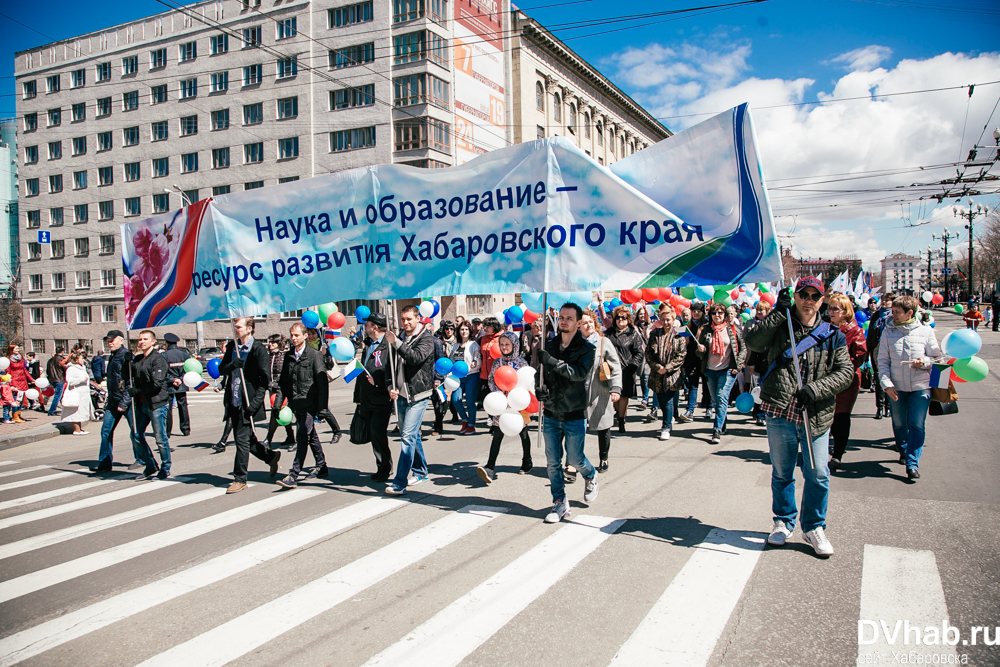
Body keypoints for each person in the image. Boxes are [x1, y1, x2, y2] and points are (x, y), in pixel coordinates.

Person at [746, 277, 853, 557]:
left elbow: (845, 373)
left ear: (822, 300)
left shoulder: (833, 334)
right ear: (795, 297)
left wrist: (815, 389)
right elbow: (753, 342)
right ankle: (783, 521)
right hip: (780, 410)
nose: (808, 300)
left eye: (814, 296)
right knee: (782, 472)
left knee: (818, 474)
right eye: (803, 294)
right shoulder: (782, 325)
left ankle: (813, 526)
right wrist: (778, 312)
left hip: (815, 414)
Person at [536, 302, 598, 523]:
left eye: (569, 318)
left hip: (573, 412)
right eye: (561, 317)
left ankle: (590, 475)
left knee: (576, 458)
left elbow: (578, 374)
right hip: (552, 412)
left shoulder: (587, 349)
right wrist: (539, 391)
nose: (564, 321)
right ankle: (560, 502)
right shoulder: (548, 344)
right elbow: (539, 373)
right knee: (553, 462)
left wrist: (553, 362)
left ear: (578, 322)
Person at [877, 295, 942, 483]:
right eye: (893, 311)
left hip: (921, 387)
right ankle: (903, 449)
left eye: (897, 312)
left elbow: (937, 358)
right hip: (896, 388)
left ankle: (912, 463)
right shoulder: (888, 332)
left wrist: (925, 361)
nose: (893, 315)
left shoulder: (925, 332)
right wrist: (886, 385)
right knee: (899, 424)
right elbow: (882, 362)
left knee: (917, 424)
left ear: (910, 313)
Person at [219, 317, 281, 493]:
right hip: (234, 400)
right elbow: (221, 369)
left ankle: (240, 479)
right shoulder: (233, 347)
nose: (235, 329)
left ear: (249, 329)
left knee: (241, 441)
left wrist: (255, 404)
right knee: (247, 439)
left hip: (248, 402)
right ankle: (270, 457)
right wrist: (232, 365)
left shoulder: (258, 349)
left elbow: (264, 380)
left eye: (238, 327)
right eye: (234, 326)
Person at [384, 305, 436, 496]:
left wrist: (396, 342)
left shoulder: (426, 338)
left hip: (418, 395)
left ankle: (399, 482)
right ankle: (421, 471)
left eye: (409, 319)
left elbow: (415, 358)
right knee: (412, 436)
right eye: (403, 319)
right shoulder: (399, 338)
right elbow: (390, 366)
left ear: (418, 318)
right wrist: (391, 387)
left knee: (406, 437)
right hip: (401, 395)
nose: (405, 323)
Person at [276, 323, 329, 489]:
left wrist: (322, 408)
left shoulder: (314, 356)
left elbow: (322, 384)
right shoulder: (289, 356)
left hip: (309, 402)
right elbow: (283, 382)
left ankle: (294, 474)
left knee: (302, 436)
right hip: (296, 403)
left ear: (305, 335)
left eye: (296, 335)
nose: (293, 338)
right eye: (291, 335)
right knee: (310, 434)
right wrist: (278, 403)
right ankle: (321, 465)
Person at [476, 332, 533, 483]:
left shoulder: (521, 362)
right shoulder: (497, 362)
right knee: (497, 434)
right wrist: (499, 393)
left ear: (514, 345)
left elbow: (526, 381)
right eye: (502, 344)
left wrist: (516, 396)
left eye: (507, 344)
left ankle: (527, 460)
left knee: (523, 433)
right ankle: (490, 467)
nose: (504, 347)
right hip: (501, 403)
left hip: (518, 403)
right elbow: (491, 380)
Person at [90, 331, 149, 473]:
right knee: (106, 431)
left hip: (126, 401)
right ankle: (104, 462)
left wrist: (124, 402)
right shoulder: (113, 356)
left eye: (112, 340)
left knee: (135, 432)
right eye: (108, 340)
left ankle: (141, 459)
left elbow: (131, 381)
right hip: (113, 401)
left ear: (121, 340)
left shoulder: (125, 356)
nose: (109, 342)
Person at [826, 293, 868, 472]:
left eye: (835, 308)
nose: (831, 312)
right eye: (830, 308)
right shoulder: (825, 328)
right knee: (827, 417)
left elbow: (860, 354)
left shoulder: (854, 330)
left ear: (845, 311)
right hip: (826, 380)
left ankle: (838, 454)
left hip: (846, 381)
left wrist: (842, 368)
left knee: (841, 417)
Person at [696, 302, 747, 444]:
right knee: (715, 399)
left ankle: (716, 429)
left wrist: (739, 364)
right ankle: (722, 421)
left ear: (724, 315)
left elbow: (743, 349)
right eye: (714, 313)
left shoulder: (733, 329)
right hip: (710, 370)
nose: (717, 315)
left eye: (720, 313)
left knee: (722, 397)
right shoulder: (706, 330)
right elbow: (699, 354)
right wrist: (700, 350)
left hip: (728, 370)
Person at [353, 313, 394, 481]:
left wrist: (377, 381)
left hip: (382, 398)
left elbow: (392, 371)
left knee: (378, 432)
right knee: (372, 433)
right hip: (367, 397)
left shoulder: (388, 346)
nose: (364, 327)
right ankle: (381, 465)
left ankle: (386, 467)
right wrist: (358, 395)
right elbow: (361, 371)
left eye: (367, 324)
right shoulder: (368, 344)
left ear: (375, 327)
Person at [129, 330, 172, 480]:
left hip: (156, 403)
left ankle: (165, 468)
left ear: (153, 342)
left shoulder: (158, 359)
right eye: (140, 339)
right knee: (136, 435)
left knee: (160, 438)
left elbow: (157, 383)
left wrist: (137, 390)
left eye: (145, 339)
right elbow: (128, 377)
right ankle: (150, 464)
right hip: (141, 404)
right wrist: (126, 363)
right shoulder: (138, 359)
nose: (141, 342)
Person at [646, 305, 687, 441]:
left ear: (673, 320)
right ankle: (668, 419)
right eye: (663, 320)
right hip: (657, 373)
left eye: (668, 320)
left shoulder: (679, 334)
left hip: (672, 374)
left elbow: (681, 355)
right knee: (662, 400)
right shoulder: (654, 333)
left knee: (668, 400)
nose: (666, 323)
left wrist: (668, 368)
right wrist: (657, 367)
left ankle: (666, 427)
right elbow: (648, 353)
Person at [605, 305, 644, 433]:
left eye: (623, 317)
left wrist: (632, 366)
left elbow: (639, 352)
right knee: (613, 396)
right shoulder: (609, 333)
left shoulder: (633, 334)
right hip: (610, 370)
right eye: (618, 317)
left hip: (626, 370)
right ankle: (616, 413)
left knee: (623, 397)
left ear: (628, 319)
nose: (620, 320)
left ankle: (621, 421)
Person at [306, 328, 343, 443]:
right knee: (305, 410)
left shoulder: (322, 347)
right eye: (309, 334)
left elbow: (330, 365)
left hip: (319, 381)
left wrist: (324, 356)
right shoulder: (303, 347)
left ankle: (337, 431)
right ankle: (303, 438)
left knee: (323, 408)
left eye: (313, 334)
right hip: (306, 381)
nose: (311, 336)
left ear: (317, 335)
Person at [263, 334, 296, 449]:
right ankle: (290, 436)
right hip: (272, 388)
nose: (270, 345)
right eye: (269, 342)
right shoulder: (269, 355)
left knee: (276, 412)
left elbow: (285, 373)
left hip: (281, 389)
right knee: (281, 413)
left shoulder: (283, 355)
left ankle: (268, 438)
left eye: (273, 342)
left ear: (279, 343)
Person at [866, 293, 895, 419]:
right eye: (883, 301)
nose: (884, 303)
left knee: (890, 379)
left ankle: (889, 407)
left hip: (891, 349)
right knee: (878, 378)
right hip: (877, 348)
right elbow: (871, 334)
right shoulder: (876, 315)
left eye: (887, 301)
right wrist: (868, 351)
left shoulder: (894, 315)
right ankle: (880, 407)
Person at [744, 301, 773, 427]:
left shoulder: (771, 324)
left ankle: (765, 412)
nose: (759, 312)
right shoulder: (750, 323)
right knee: (757, 388)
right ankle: (759, 413)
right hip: (754, 359)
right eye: (758, 309)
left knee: (767, 388)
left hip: (769, 360)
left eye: (762, 310)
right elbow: (745, 339)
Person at [450, 320, 481, 434]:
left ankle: (471, 425)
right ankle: (464, 420)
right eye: (462, 329)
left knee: (469, 401)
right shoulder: (456, 345)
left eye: (466, 329)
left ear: (470, 331)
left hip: (471, 375)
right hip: (458, 377)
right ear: (459, 331)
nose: (464, 331)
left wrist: (475, 362)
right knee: (456, 399)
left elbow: (477, 356)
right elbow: (452, 359)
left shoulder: (473, 344)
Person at [678, 301, 706, 423]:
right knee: (692, 386)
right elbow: (682, 342)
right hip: (691, 360)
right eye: (693, 312)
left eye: (698, 312)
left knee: (707, 385)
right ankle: (690, 410)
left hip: (704, 360)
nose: (695, 314)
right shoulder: (687, 326)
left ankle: (709, 406)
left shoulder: (707, 325)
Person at [431, 320, 458, 435]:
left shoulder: (457, 342)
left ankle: (453, 415)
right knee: (439, 399)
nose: (449, 331)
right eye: (447, 328)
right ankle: (438, 425)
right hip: (441, 374)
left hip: (454, 374)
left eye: (451, 329)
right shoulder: (439, 342)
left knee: (450, 399)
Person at [161, 333, 192, 437]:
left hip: (169, 385)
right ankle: (186, 429)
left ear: (167, 343)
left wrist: (172, 379)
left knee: (168, 408)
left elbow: (162, 372)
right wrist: (180, 379)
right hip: (182, 383)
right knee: (183, 407)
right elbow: (189, 369)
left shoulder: (164, 356)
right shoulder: (184, 355)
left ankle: (167, 431)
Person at [61, 352, 95, 435]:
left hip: (83, 394)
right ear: (76, 359)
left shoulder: (82, 368)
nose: (83, 360)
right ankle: (76, 430)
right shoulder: (71, 368)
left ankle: (80, 428)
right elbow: (69, 381)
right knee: (75, 412)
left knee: (81, 411)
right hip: (76, 393)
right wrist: (82, 379)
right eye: (81, 358)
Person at [5, 345, 34, 423]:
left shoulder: (20, 358)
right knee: (15, 400)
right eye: (16, 348)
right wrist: (9, 383)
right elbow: (7, 372)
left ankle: (18, 414)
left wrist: (31, 379)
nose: (18, 349)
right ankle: (14, 416)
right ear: (12, 350)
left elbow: (25, 370)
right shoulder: (8, 360)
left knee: (20, 399)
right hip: (14, 381)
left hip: (23, 381)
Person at [45, 347, 67, 416]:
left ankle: (64, 409)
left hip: (52, 379)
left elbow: (47, 371)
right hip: (59, 379)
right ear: (62, 351)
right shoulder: (61, 360)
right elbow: (65, 369)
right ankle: (52, 410)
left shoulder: (50, 360)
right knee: (58, 395)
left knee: (59, 395)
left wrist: (49, 378)